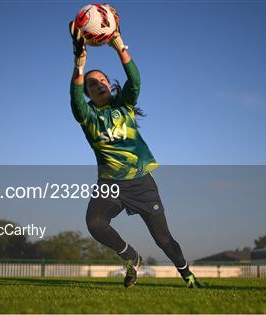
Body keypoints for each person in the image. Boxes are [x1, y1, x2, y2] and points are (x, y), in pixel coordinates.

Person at [68, 7, 202, 289]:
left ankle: (186, 274)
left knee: (164, 239)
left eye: (102, 80)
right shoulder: (87, 116)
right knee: (95, 224)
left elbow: (135, 80)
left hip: (141, 182)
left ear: (109, 85)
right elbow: (75, 98)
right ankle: (131, 256)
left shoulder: (124, 105)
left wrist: (120, 46)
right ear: (88, 93)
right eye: (92, 84)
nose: (99, 84)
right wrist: (79, 64)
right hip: (110, 183)